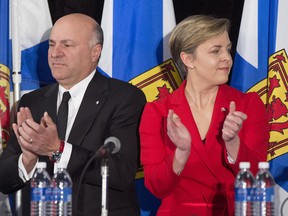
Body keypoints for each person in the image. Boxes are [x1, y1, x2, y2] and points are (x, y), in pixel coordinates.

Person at [0, 13, 146, 216]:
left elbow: (122, 172)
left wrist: (57, 149)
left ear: (95, 52)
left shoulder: (125, 98)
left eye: (67, 45)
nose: (55, 53)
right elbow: (3, 180)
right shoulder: (31, 102)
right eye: (52, 44)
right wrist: (28, 159)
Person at [139, 15, 269, 216]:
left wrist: (233, 142)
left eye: (227, 48)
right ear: (188, 59)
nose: (227, 57)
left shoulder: (248, 105)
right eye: (216, 51)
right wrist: (181, 152)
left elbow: (256, 176)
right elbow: (157, 187)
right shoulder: (158, 112)